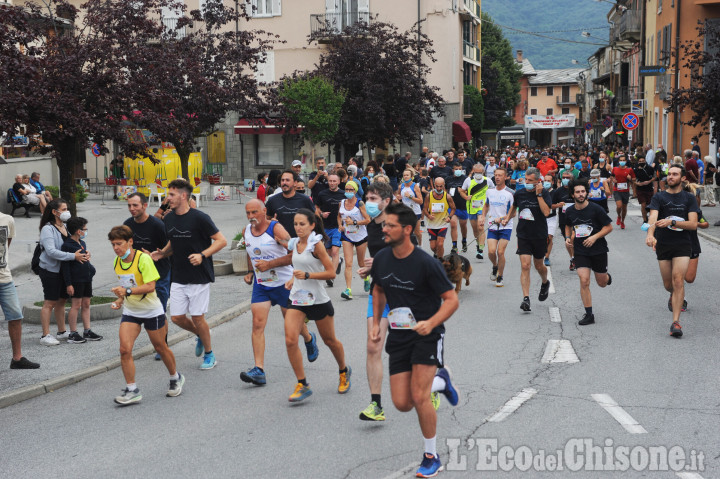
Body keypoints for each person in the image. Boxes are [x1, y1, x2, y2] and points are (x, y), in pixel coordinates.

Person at [370, 202, 460, 478]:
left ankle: (431, 457)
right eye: (384, 224)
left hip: (427, 335)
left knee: (420, 396)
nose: (384, 228)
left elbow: (451, 299)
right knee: (402, 402)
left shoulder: (426, 263)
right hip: (398, 336)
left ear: (407, 229)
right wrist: (376, 323)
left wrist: (431, 323)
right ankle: (441, 381)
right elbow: (378, 289)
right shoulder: (382, 258)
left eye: (390, 225)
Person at [150, 179, 227, 369]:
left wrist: (203, 255)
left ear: (183, 196)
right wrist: (162, 253)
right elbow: (173, 243)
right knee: (176, 317)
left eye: (172, 195)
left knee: (198, 317)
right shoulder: (168, 218)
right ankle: (200, 335)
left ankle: (209, 355)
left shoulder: (200, 217)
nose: (168, 198)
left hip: (199, 275)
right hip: (178, 274)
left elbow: (221, 240)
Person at [240, 199, 318, 386]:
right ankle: (259, 370)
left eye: (254, 213)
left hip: (284, 284)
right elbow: (250, 252)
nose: (251, 217)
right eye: (248, 213)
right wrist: (251, 272)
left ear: (264, 211)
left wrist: (270, 264)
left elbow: (294, 254)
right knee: (257, 324)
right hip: (262, 285)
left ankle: (308, 338)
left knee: (293, 325)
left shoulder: (275, 229)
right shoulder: (246, 231)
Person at [108, 225, 184, 405]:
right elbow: (129, 286)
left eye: (119, 244)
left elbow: (150, 286)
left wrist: (125, 291)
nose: (116, 248)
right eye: (113, 244)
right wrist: (119, 300)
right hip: (131, 311)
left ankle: (175, 377)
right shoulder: (117, 262)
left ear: (130, 242)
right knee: (124, 350)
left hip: (151, 311)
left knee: (160, 348)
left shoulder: (144, 260)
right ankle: (132, 390)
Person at [284, 209, 350, 402]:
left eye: (302, 224)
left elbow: (331, 273)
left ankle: (344, 371)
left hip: (318, 299)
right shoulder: (295, 243)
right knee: (290, 339)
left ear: (312, 225)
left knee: (330, 341)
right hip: (297, 297)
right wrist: (292, 279)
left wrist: (307, 276)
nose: (298, 228)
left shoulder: (316, 245)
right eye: (295, 224)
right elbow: (298, 267)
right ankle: (302, 384)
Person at [645, 165, 699, 338]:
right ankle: (675, 296)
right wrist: (650, 234)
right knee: (668, 285)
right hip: (664, 244)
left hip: (683, 243)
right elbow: (652, 217)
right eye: (670, 174)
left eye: (675, 174)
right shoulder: (659, 197)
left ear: (683, 178)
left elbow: (693, 224)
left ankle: (676, 322)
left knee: (678, 281)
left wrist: (672, 223)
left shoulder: (689, 198)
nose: (671, 177)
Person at [125, 192, 171, 360]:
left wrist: (155, 255)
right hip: (139, 276)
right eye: (129, 205)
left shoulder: (157, 225)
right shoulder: (128, 225)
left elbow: (170, 249)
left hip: (160, 274)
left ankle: (162, 345)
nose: (132, 209)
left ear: (144, 206)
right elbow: (125, 248)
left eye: (135, 205)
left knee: (159, 310)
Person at [38, 199, 89, 346]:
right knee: (50, 301)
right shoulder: (47, 229)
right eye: (64, 209)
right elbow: (51, 251)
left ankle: (61, 331)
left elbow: (73, 244)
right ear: (55, 212)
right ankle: (45, 334)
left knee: (61, 300)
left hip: (63, 269)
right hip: (50, 269)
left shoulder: (65, 226)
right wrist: (74, 256)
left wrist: (84, 253)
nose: (67, 212)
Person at [564, 179, 613, 326]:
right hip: (580, 250)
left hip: (598, 249)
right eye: (577, 192)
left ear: (586, 192)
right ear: (573, 195)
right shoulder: (570, 210)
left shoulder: (596, 209)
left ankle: (607, 277)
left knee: (601, 283)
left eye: (583, 191)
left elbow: (608, 227)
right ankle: (589, 314)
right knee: (584, 280)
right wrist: (567, 237)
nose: (580, 194)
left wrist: (594, 237)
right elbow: (567, 225)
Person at [0, 211, 40, 368]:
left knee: (15, 316)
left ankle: (17, 359)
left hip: (4, 277)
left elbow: (5, 247)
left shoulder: (7, 220)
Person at [510, 167, 552, 312]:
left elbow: (547, 212)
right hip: (523, 234)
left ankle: (545, 282)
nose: (526, 182)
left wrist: (539, 195)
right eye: (525, 180)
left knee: (539, 266)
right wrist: (506, 219)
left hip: (539, 235)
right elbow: (514, 208)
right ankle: (526, 298)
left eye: (530, 181)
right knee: (525, 265)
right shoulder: (519, 193)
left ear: (537, 182)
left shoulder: (544, 193)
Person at [60, 217, 102, 343]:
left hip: (86, 278)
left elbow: (84, 259)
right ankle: (73, 333)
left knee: (86, 304)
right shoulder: (67, 245)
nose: (86, 231)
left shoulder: (82, 243)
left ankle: (87, 330)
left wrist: (88, 255)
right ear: (78, 231)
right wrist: (69, 284)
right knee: (76, 305)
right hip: (76, 280)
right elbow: (65, 266)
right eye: (85, 229)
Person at [481, 167, 514, 287]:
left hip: (506, 226)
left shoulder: (510, 193)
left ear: (505, 177)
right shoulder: (489, 191)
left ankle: (500, 276)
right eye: (496, 175)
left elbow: (514, 212)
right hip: (492, 226)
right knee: (490, 251)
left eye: (500, 175)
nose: (497, 177)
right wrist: (482, 216)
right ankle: (495, 266)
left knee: (500, 252)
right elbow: (486, 205)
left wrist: (504, 219)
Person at [338, 181, 371, 300]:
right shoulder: (341, 203)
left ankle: (366, 278)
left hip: (360, 236)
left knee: (361, 263)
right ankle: (348, 290)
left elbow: (368, 220)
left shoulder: (360, 203)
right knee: (348, 263)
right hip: (347, 236)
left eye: (351, 190)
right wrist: (340, 225)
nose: (348, 192)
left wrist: (354, 222)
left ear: (355, 191)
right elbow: (339, 215)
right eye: (346, 189)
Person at [314, 173, 346, 287]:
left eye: (334, 181)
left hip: (338, 227)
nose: (332, 183)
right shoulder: (322, 194)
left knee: (334, 251)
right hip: (325, 227)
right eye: (330, 181)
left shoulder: (343, 194)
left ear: (338, 182)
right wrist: (322, 214)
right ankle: (339, 261)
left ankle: (331, 276)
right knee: (328, 252)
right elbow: (316, 208)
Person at [266, 170, 316, 238]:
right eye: (282, 180)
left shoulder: (305, 200)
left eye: (287, 180)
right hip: (279, 243)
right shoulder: (272, 200)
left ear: (295, 183)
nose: (284, 183)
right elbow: (265, 220)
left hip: (300, 242)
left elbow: (316, 219)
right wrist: (271, 223)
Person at [463, 163, 494, 260]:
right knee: (475, 229)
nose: (478, 174)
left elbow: (493, 191)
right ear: (473, 171)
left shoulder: (488, 181)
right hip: (471, 208)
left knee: (480, 227)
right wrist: (465, 196)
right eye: (476, 172)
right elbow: (462, 191)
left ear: (483, 172)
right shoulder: (468, 180)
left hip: (483, 208)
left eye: (480, 172)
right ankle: (478, 244)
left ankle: (480, 250)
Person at [423, 177, 455, 259]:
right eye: (437, 186)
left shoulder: (447, 196)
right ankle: (437, 254)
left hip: (442, 224)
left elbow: (453, 208)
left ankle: (441, 262)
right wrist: (429, 216)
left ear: (444, 185)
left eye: (441, 186)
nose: (439, 188)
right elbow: (424, 209)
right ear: (434, 185)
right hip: (432, 225)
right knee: (433, 247)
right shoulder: (428, 196)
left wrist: (449, 217)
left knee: (440, 244)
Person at [552, 170, 576, 271]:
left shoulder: (576, 189)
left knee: (574, 239)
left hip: (577, 219)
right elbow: (551, 206)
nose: (566, 180)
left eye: (568, 178)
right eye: (564, 178)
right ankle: (573, 258)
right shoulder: (558, 191)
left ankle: (578, 258)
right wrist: (558, 205)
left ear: (572, 179)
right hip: (564, 220)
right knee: (568, 241)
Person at [397, 169, 424, 246]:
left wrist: (411, 197)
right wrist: (398, 198)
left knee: (417, 233)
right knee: (406, 232)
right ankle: (409, 248)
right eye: (404, 175)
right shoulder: (400, 186)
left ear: (411, 176)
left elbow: (421, 201)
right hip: (405, 212)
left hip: (415, 212)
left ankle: (420, 245)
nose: (405, 177)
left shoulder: (415, 186)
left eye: (407, 175)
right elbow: (398, 197)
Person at [447, 162, 469, 253]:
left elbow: (469, 190)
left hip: (463, 206)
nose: (458, 171)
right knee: (453, 224)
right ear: (453, 170)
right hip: (452, 207)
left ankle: (464, 241)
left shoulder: (465, 179)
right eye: (456, 169)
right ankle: (454, 245)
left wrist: (464, 192)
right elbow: (445, 191)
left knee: (463, 225)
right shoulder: (448, 179)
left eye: (460, 169)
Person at [610, 154, 635, 229]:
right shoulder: (615, 169)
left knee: (624, 208)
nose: (622, 161)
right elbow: (612, 176)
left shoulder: (629, 170)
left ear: (626, 161)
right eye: (621, 160)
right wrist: (613, 179)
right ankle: (618, 216)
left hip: (625, 191)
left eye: (624, 160)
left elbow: (634, 179)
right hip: (617, 190)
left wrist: (630, 178)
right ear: (618, 161)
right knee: (619, 206)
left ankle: (622, 221)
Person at [634, 155, 656, 223]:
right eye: (640, 161)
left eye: (643, 161)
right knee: (643, 205)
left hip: (649, 189)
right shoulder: (636, 170)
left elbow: (655, 177)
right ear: (638, 162)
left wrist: (649, 181)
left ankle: (646, 215)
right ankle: (645, 220)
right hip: (640, 189)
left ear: (645, 161)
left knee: (648, 205)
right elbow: (633, 180)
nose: (641, 162)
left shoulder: (650, 168)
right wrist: (637, 184)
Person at [542, 175, 557, 266]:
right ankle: (540, 255)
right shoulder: (540, 191)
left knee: (549, 237)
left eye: (549, 180)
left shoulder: (555, 192)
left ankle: (547, 257)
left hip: (552, 217)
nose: (547, 182)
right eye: (545, 180)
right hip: (541, 218)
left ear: (552, 182)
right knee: (542, 238)